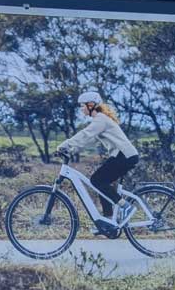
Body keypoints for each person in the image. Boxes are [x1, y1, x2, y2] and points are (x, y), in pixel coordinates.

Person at [56, 91, 140, 224]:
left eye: (82, 105)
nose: (81, 109)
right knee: (101, 184)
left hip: (124, 156)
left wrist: (65, 144)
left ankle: (125, 206)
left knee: (97, 180)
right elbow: (90, 141)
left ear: (91, 105)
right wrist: (71, 150)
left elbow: (85, 134)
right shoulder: (100, 120)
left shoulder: (101, 119)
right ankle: (108, 220)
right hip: (123, 156)